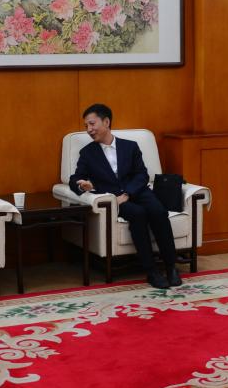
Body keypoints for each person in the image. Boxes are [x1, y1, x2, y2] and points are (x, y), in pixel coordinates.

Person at [68, 103, 181, 289]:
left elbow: (142, 174)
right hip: (114, 198)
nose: (89, 130)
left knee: (159, 211)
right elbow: (74, 178)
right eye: (86, 126)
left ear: (106, 122)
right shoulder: (87, 153)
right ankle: (151, 271)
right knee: (138, 214)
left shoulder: (130, 147)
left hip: (138, 191)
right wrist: (81, 184)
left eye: (92, 124)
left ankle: (171, 267)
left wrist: (128, 193)